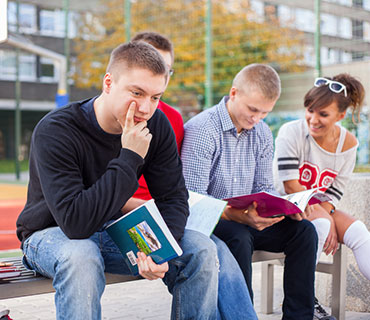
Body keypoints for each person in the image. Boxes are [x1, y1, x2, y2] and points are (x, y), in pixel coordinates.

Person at [16, 41, 257, 320]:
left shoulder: (157, 125)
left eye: (155, 97)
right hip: (51, 234)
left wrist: (157, 251)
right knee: (81, 257)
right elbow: (75, 223)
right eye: (137, 92)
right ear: (108, 83)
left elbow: (174, 199)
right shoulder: (57, 130)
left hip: (112, 229)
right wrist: (129, 155)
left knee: (201, 249)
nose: (145, 107)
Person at [181, 63, 318, 320]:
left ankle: (299, 317)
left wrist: (286, 206)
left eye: (264, 113)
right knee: (238, 237)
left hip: (249, 217)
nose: (257, 119)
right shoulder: (202, 130)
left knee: (304, 232)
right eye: (253, 109)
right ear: (234, 93)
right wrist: (235, 214)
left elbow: (263, 187)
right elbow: (192, 198)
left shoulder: (263, 133)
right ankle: (242, 315)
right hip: (212, 221)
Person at [273, 74, 370, 319]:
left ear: (340, 116)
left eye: (323, 114)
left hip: (319, 207)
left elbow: (336, 190)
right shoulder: (291, 132)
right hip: (284, 205)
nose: (313, 120)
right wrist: (327, 220)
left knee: (359, 232)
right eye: (310, 110)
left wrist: (328, 215)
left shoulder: (349, 144)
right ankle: (306, 300)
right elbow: (290, 186)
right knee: (322, 223)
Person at [124, 31, 183, 205]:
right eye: (152, 65)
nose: (160, 75)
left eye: (166, 70)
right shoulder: (113, 114)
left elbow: (171, 182)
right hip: (120, 207)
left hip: (158, 207)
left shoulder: (173, 118)